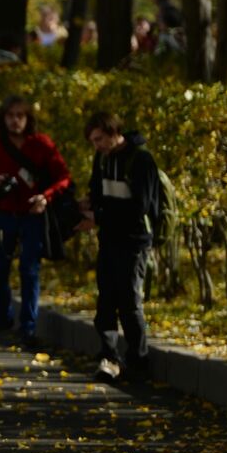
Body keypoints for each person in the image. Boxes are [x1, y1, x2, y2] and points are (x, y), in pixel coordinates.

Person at [0, 95, 70, 348]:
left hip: (32, 216)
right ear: (3, 118)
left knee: (29, 271)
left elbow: (63, 177)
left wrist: (46, 197)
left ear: (28, 119)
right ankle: (3, 319)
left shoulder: (41, 144)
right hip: (4, 215)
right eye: (10, 115)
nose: (15, 121)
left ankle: (28, 328)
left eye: (20, 115)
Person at [82, 112, 159, 383]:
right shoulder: (102, 158)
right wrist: (87, 207)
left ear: (114, 131)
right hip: (110, 238)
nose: (97, 146)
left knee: (129, 301)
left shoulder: (140, 160)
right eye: (93, 141)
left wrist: (100, 216)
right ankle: (110, 357)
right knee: (106, 300)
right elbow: (98, 192)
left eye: (100, 139)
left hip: (135, 241)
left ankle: (138, 361)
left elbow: (141, 206)